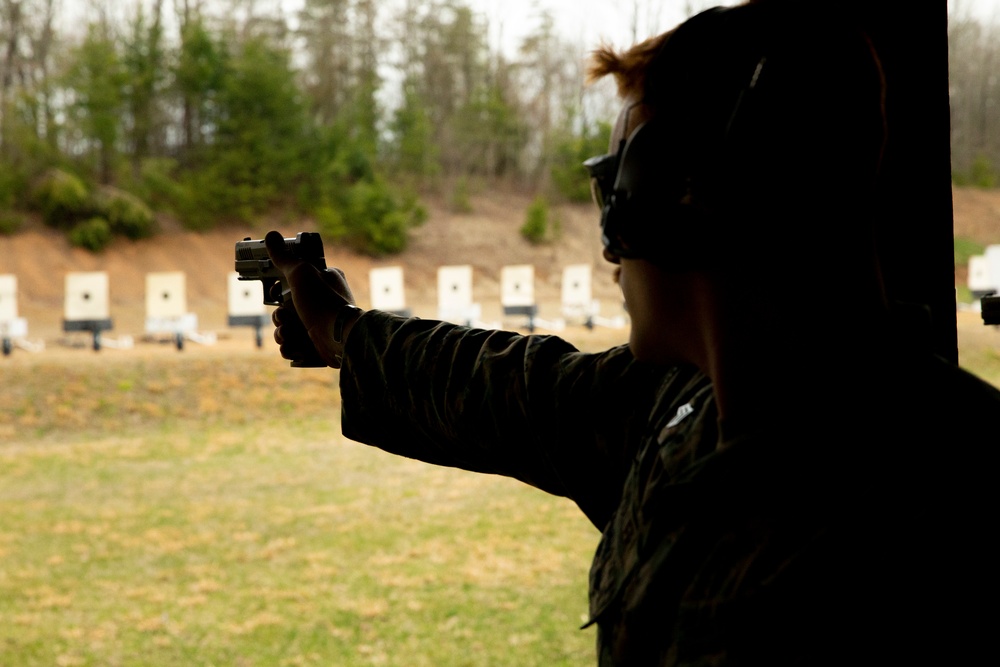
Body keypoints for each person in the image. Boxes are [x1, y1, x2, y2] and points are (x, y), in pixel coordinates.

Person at [264, 1, 999, 664]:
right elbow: (511, 387)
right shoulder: (684, 406)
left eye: (618, 182)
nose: (611, 233)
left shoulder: (942, 501)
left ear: (677, 191)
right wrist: (341, 331)